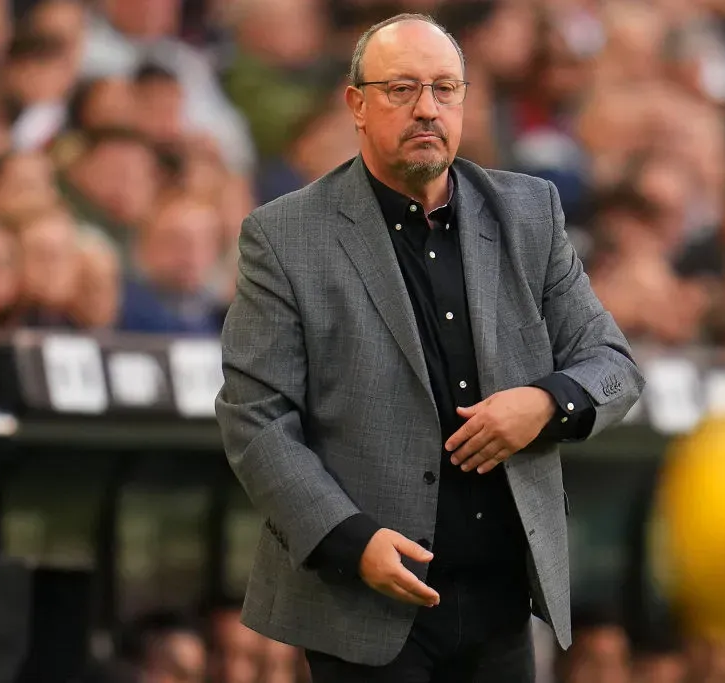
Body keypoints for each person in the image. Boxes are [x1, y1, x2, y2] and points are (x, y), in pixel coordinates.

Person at [215, 12, 643, 683]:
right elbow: (255, 419)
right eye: (402, 89)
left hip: (504, 599)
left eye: (445, 90)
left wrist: (545, 402)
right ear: (356, 104)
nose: (426, 109)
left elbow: (613, 367)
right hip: (365, 602)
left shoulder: (531, 213)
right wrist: (349, 540)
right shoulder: (284, 236)